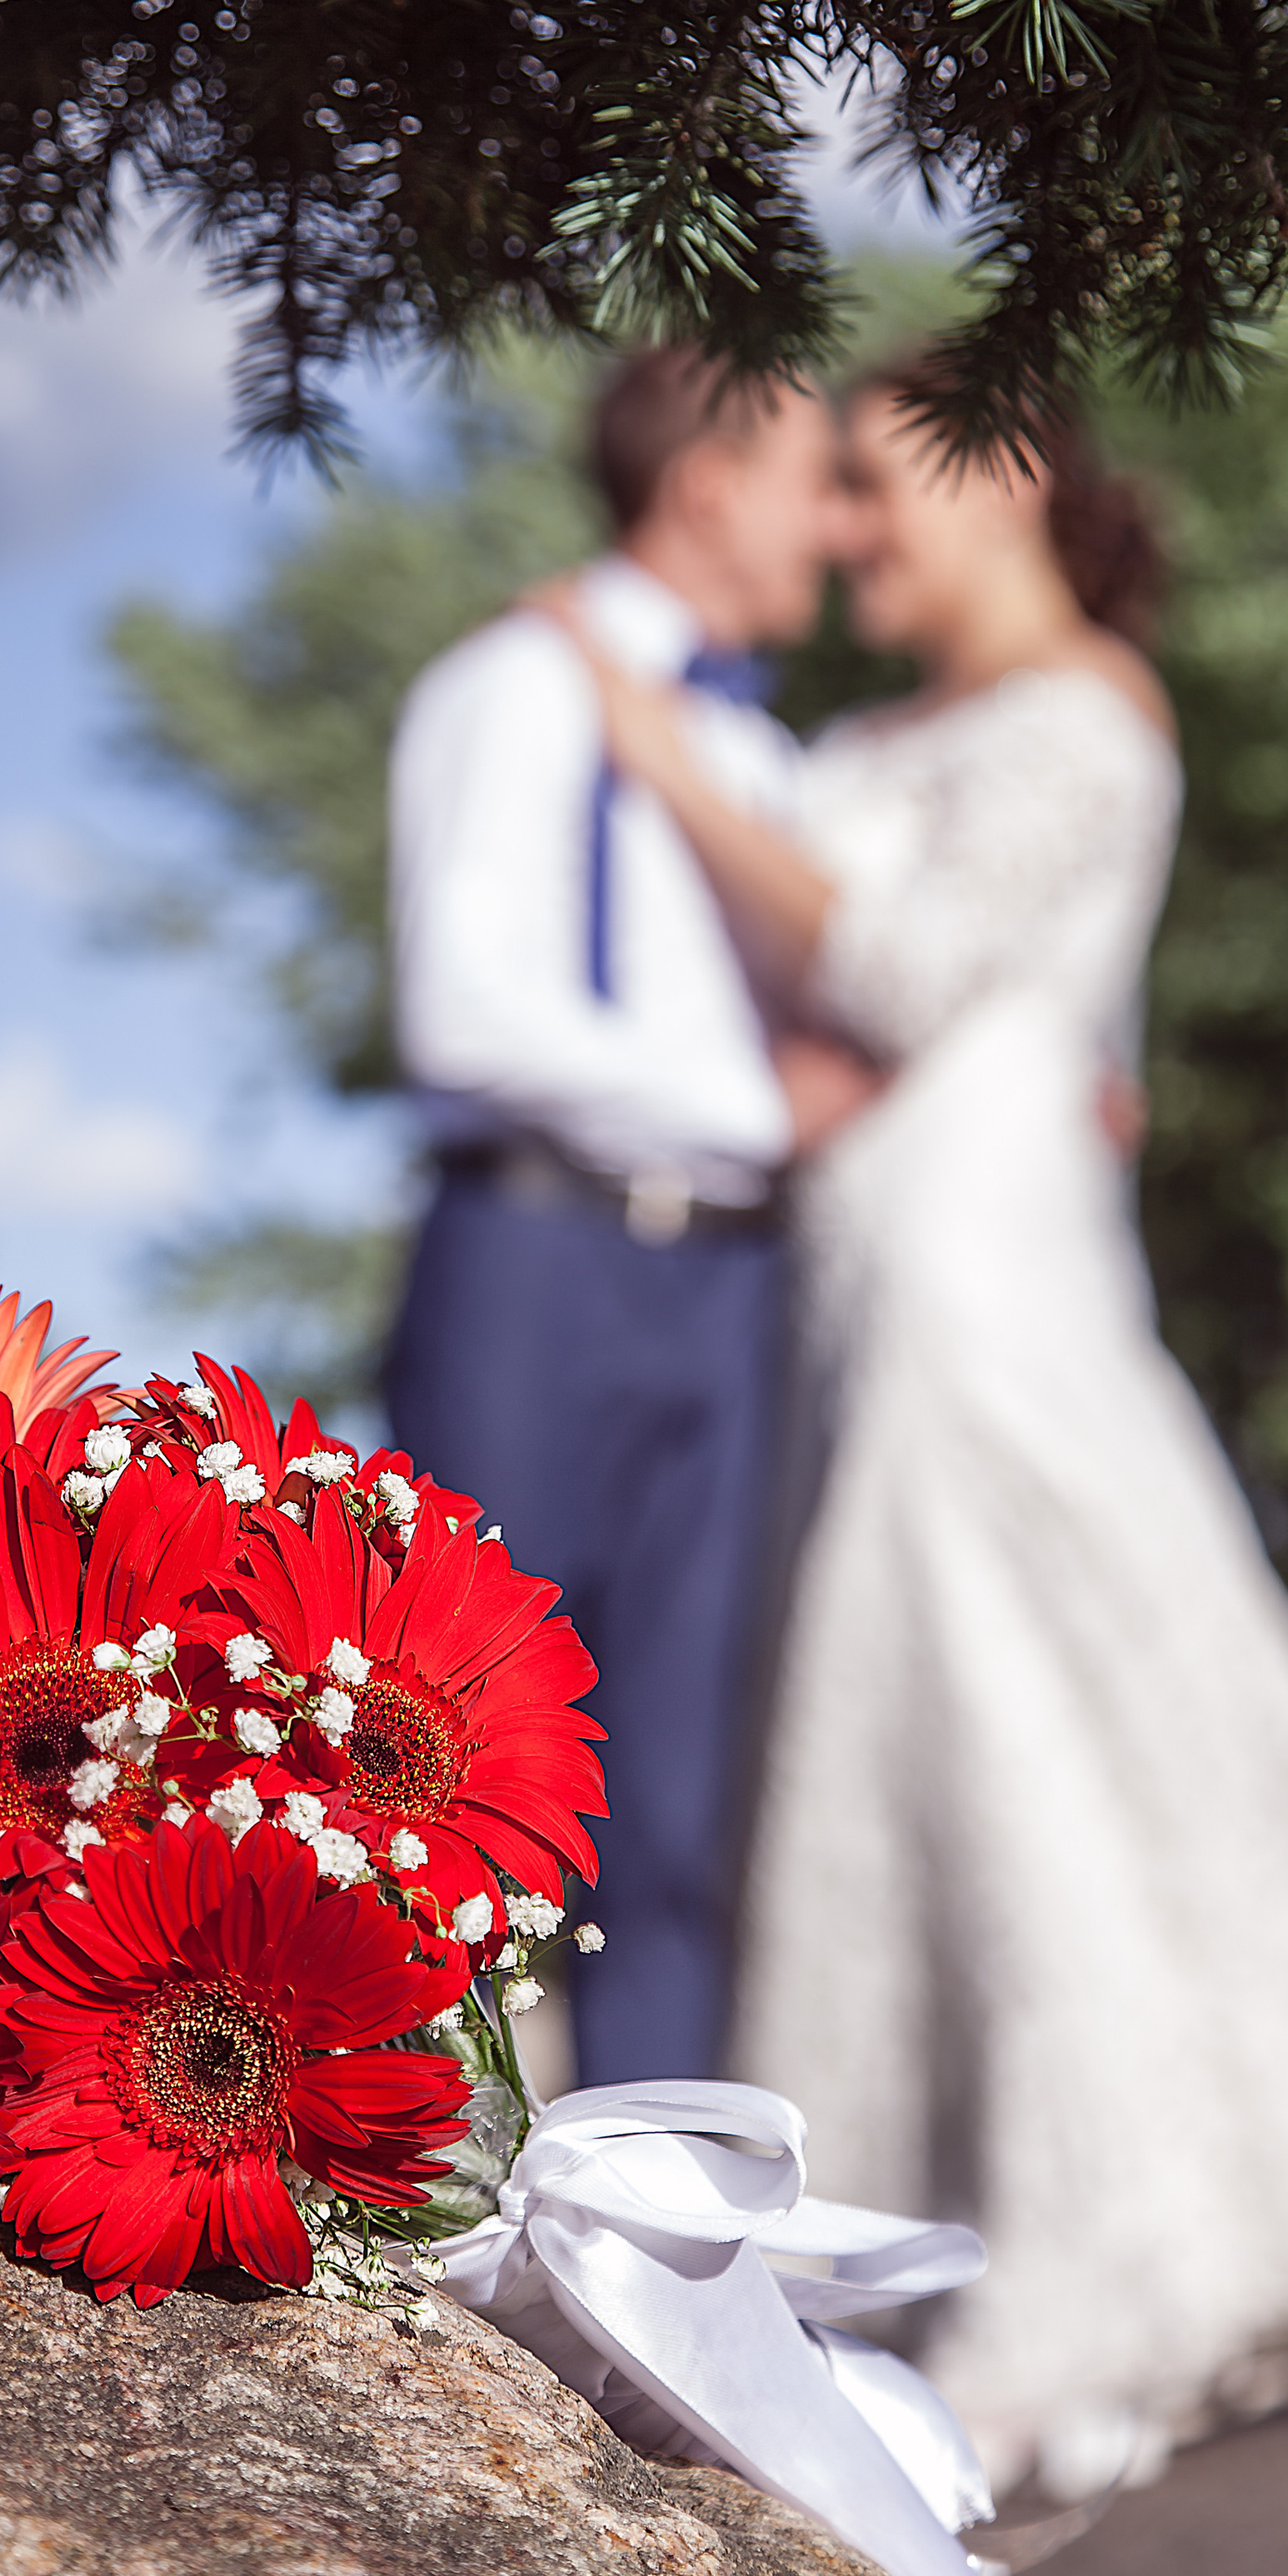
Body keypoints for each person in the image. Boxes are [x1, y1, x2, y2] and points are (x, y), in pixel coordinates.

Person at [557, 360, 1288, 2496]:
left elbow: (911, 963)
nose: (847, 535)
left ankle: (1068, 2277)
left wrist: (656, 759)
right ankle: (912, 2238)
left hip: (982, 1276)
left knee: (1025, 1720)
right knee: (901, 1741)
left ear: (1005, 476)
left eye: (873, 489)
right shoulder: (854, 743)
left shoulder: (1090, 716)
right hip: (848, 1271)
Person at [383, 347, 864, 2085]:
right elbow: (469, 1018)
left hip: (732, 1294)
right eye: (816, 471)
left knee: (676, 1804)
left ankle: (654, 2264)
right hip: (537, 1261)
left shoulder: (752, 745)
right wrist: (762, 1120)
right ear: (708, 482)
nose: (838, 519)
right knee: (462, 1764)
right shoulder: (507, 690)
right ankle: (424, 2256)